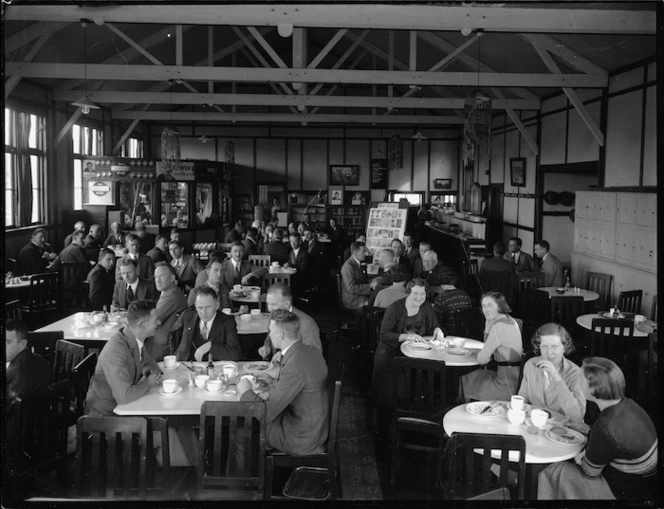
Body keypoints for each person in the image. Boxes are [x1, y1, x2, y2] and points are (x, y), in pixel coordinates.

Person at [538, 357, 658, 500]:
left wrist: (577, 455)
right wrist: (588, 429)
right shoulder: (627, 404)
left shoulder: (605, 427)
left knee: (555, 471)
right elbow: (616, 440)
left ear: (593, 388)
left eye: (580, 379)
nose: (578, 382)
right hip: (649, 482)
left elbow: (589, 473)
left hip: (628, 491)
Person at [236, 310, 329, 456]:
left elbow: (265, 413)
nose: (269, 335)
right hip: (317, 425)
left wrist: (246, 391)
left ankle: (248, 477)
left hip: (302, 437)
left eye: (270, 331)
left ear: (280, 335)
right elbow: (300, 386)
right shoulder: (309, 351)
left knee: (243, 431)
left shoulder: (295, 364)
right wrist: (274, 382)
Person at [371, 278, 444, 438]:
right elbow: (384, 335)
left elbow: (434, 325)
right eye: (416, 294)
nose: (419, 297)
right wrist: (406, 337)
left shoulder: (426, 307)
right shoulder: (395, 308)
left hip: (415, 352)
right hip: (390, 350)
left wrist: (438, 330)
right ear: (408, 293)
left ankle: (412, 422)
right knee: (391, 389)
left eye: (423, 293)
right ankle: (385, 428)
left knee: (421, 381)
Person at [84, 300, 163, 417]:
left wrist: (151, 373)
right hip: (105, 418)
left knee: (170, 422)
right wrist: (149, 383)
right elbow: (124, 397)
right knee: (164, 428)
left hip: (125, 408)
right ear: (142, 325)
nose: (159, 322)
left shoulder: (134, 339)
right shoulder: (116, 350)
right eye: (156, 319)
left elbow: (149, 362)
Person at [459, 292, 523, 402]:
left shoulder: (499, 326)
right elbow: (489, 349)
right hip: (516, 380)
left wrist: (487, 326)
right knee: (472, 375)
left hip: (505, 387)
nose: (486, 309)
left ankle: (464, 410)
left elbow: (482, 359)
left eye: (490, 305)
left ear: (500, 306)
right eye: (483, 306)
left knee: (463, 376)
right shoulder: (509, 320)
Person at [518, 323, 586, 422]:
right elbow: (522, 399)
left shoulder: (576, 373)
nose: (549, 352)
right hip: (535, 426)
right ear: (538, 347)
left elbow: (577, 416)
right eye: (544, 346)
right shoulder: (531, 365)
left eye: (555, 347)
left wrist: (557, 378)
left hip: (564, 431)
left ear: (564, 347)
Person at [172, 287, 241, 362]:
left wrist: (210, 347)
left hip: (216, 369)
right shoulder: (187, 317)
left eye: (208, 307)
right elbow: (174, 337)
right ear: (195, 306)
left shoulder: (227, 321)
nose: (203, 312)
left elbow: (235, 354)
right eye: (200, 308)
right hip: (189, 367)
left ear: (217, 305)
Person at [258, 283, 322, 361]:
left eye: (273, 304)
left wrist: (286, 355)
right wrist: (267, 347)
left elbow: (314, 355)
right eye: (268, 304)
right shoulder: (274, 316)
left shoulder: (306, 323)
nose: (269, 309)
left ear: (287, 303)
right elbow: (270, 336)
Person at [5, 319, 51, 405]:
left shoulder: (13, 372)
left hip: (21, 416)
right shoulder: (40, 359)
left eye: (7, 342)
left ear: (22, 344)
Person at [148, 264, 188, 361]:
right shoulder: (171, 291)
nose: (157, 280)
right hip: (165, 343)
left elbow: (152, 320)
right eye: (156, 277)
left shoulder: (171, 296)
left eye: (162, 276)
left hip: (162, 347)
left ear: (172, 278)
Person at [49, 230, 90, 298]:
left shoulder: (64, 251)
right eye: (82, 238)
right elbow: (87, 267)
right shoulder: (78, 250)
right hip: (78, 285)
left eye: (84, 238)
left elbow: (53, 268)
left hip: (63, 286)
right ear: (75, 238)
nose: (84, 240)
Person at [341, 241, 378, 310]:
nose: (366, 254)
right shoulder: (348, 267)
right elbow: (352, 289)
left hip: (359, 296)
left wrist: (372, 281)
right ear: (355, 252)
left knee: (378, 298)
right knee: (376, 303)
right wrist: (370, 285)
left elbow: (360, 280)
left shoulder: (356, 263)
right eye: (363, 251)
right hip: (352, 300)